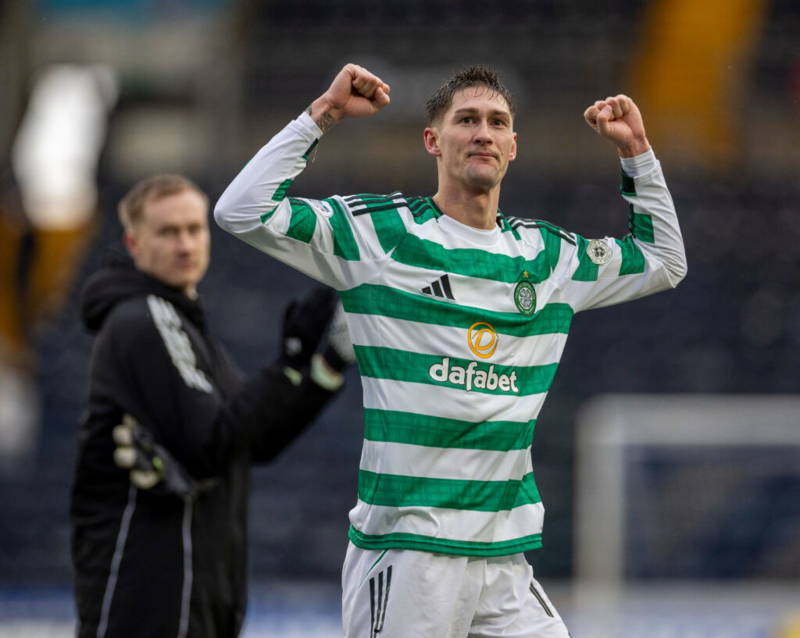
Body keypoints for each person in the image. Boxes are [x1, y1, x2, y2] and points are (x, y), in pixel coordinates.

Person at [214, 63, 687, 637]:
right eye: (466, 120)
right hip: (411, 551)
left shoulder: (550, 258)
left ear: (514, 146)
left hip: (502, 556)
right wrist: (323, 115)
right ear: (433, 141)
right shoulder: (378, 235)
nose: (483, 132)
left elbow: (664, 261)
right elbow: (240, 210)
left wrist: (637, 152)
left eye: (497, 122)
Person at [70, 173, 353, 638]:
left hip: (193, 591)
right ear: (133, 242)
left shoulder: (181, 322)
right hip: (149, 598)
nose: (185, 243)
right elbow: (211, 442)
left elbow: (254, 441)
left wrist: (326, 367)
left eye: (194, 229)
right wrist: (291, 360)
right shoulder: (144, 318)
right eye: (168, 231)